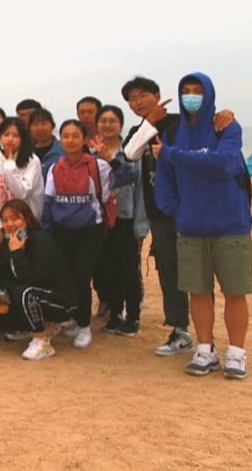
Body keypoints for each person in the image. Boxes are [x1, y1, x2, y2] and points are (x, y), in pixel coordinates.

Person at [121, 75, 235, 357]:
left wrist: (227, 114)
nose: (138, 102)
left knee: (199, 273)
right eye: (132, 99)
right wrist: (150, 122)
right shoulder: (139, 130)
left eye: (143, 96)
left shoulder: (180, 122)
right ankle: (180, 330)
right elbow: (131, 153)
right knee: (169, 271)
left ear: (158, 95)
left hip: (193, 210)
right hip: (160, 214)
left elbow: (210, 134)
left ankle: (206, 337)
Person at [154, 72, 252, 379]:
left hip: (230, 224)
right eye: (186, 90)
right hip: (190, 227)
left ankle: (236, 353)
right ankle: (205, 349)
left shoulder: (226, 126)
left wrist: (173, 155)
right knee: (197, 292)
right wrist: (179, 213)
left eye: (197, 90)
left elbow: (224, 164)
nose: (191, 96)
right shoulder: (172, 133)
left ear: (208, 93)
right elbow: (164, 182)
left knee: (235, 291)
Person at [41, 120, 134, 349]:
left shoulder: (97, 166)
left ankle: (84, 326)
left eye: (75, 135)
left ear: (83, 139)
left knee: (81, 278)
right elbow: (49, 202)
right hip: (63, 231)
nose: (70, 140)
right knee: (66, 278)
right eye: (66, 135)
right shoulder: (55, 168)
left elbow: (128, 176)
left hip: (91, 231)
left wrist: (110, 159)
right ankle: (73, 318)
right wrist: (47, 233)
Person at [0, 199, 77, 361]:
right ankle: (31, 327)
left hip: (60, 301)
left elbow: (33, 279)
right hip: (30, 295)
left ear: (27, 219)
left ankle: (42, 341)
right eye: (5, 220)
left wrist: (17, 253)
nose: (10, 224)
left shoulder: (40, 239)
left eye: (15, 218)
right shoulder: (9, 241)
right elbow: (2, 276)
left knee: (24, 293)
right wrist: (3, 295)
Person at [90, 105, 144, 337]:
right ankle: (114, 314)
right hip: (101, 219)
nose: (107, 125)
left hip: (125, 217)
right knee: (106, 269)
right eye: (103, 120)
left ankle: (132, 317)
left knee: (129, 269)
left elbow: (138, 187)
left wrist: (140, 224)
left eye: (112, 120)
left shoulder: (131, 152)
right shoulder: (90, 153)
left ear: (121, 124)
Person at [0, 117, 44, 246]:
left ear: (22, 138)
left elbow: (22, 192)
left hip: (28, 224)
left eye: (15, 136)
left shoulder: (32, 161)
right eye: (6, 135)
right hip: (3, 225)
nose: (10, 139)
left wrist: (9, 167)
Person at [28, 108, 64, 179]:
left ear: (53, 126)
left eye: (44, 124)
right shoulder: (25, 151)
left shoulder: (63, 149)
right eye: (35, 125)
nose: (40, 128)